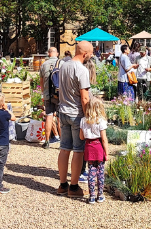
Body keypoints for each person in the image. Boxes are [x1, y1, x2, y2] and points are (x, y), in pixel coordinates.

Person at [56, 41, 93, 198]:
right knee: (78, 151)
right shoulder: (82, 70)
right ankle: (74, 186)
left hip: (63, 111)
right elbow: (85, 98)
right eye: (90, 54)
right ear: (84, 54)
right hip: (76, 113)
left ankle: (62, 184)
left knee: (64, 149)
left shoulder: (64, 65)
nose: (90, 57)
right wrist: (88, 117)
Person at [79, 96, 109, 204]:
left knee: (91, 172)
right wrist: (107, 152)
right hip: (99, 146)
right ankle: (100, 195)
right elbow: (104, 139)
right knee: (100, 172)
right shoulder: (101, 121)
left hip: (89, 146)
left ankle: (91, 196)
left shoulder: (83, 120)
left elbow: (81, 137)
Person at [39, 47, 61, 149]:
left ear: (48, 54)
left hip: (48, 95)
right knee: (60, 118)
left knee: (49, 116)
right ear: (57, 53)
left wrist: (44, 93)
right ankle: (62, 142)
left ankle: (47, 141)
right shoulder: (62, 64)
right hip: (59, 95)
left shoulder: (44, 65)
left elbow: (41, 81)